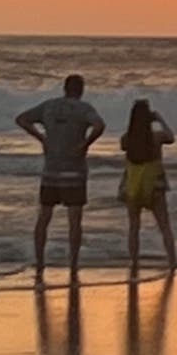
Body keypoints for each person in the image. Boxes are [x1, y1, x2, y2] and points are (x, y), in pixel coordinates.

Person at [17, 74, 107, 282]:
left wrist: (42, 138)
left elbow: (22, 119)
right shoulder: (84, 109)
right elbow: (99, 125)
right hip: (74, 172)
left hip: (51, 171)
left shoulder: (49, 106)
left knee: (44, 218)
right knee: (74, 221)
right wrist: (85, 144)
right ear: (81, 89)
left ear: (65, 88)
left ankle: (40, 263)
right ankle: (73, 265)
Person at [118, 98, 177, 279]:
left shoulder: (126, 139)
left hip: (133, 185)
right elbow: (171, 137)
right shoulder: (156, 137)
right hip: (154, 186)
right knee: (164, 226)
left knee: (134, 227)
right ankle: (172, 261)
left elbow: (124, 146)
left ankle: (134, 261)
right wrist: (159, 119)